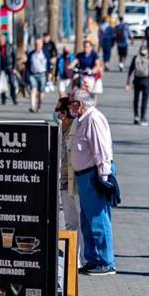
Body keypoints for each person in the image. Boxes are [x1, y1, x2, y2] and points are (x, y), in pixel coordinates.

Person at [68, 89, 117, 275]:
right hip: (84, 176)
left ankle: (107, 262)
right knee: (87, 221)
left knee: (99, 220)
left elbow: (102, 150)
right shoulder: (82, 120)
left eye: (71, 103)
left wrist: (104, 177)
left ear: (79, 105)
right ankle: (93, 259)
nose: (69, 107)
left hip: (94, 175)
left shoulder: (93, 119)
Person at [55, 97, 79, 231]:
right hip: (64, 183)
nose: (55, 114)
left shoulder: (77, 130)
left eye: (57, 110)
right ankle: (72, 246)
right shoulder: (58, 132)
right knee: (70, 223)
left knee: (81, 222)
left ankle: (81, 246)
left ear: (64, 113)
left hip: (75, 183)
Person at [126, 45, 149, 125]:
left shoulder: (135, 58)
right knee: (144, 100)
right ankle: (143, 118)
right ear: (147, 52)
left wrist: (128, 82)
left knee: (136, 99)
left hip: (137, 81)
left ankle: (136, 116)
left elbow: (130, 70)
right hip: (146, 81)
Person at [25, 38, 50, 113]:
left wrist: (50, 74)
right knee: (33, 89)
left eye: (38, 44)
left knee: (41, 91)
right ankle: (33, 107)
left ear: (42, 45)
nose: (37, 46)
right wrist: (26, 75)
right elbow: (27, 65)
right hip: (33, 74)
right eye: (36, 44)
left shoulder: (45, 53)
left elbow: (48, 65)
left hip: (42, 74)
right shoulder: (31, 54)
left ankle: (39, 106)